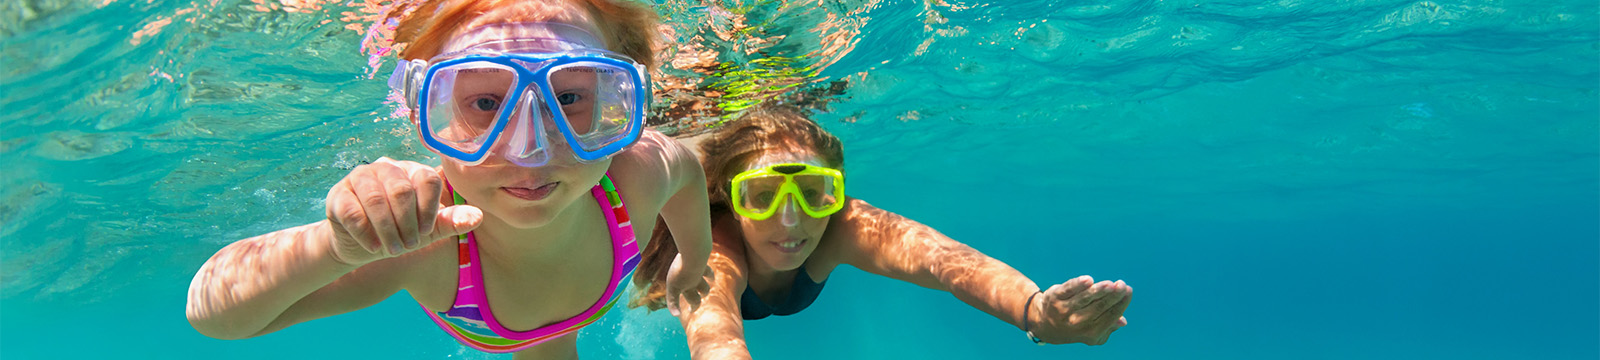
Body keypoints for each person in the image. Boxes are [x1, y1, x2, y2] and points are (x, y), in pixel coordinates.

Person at [184, 0, 715, 358]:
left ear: (617, 103)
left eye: (570, 98)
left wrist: (692, 261)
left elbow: (689, 175)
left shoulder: (638, 172)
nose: (530, 150)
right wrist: (335, 247)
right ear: (424, 113)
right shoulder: (423, 241)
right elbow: (215, 314)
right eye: (485, 103)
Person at [631, 105, 1133, 359]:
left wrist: (1037, 312)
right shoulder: (715, 246)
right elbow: (715, 335)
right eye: (762, 196)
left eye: (814, 192)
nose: (791, 219)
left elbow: (944, 261)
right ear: (732, 201)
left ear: (838, 194)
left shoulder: (845, 226)